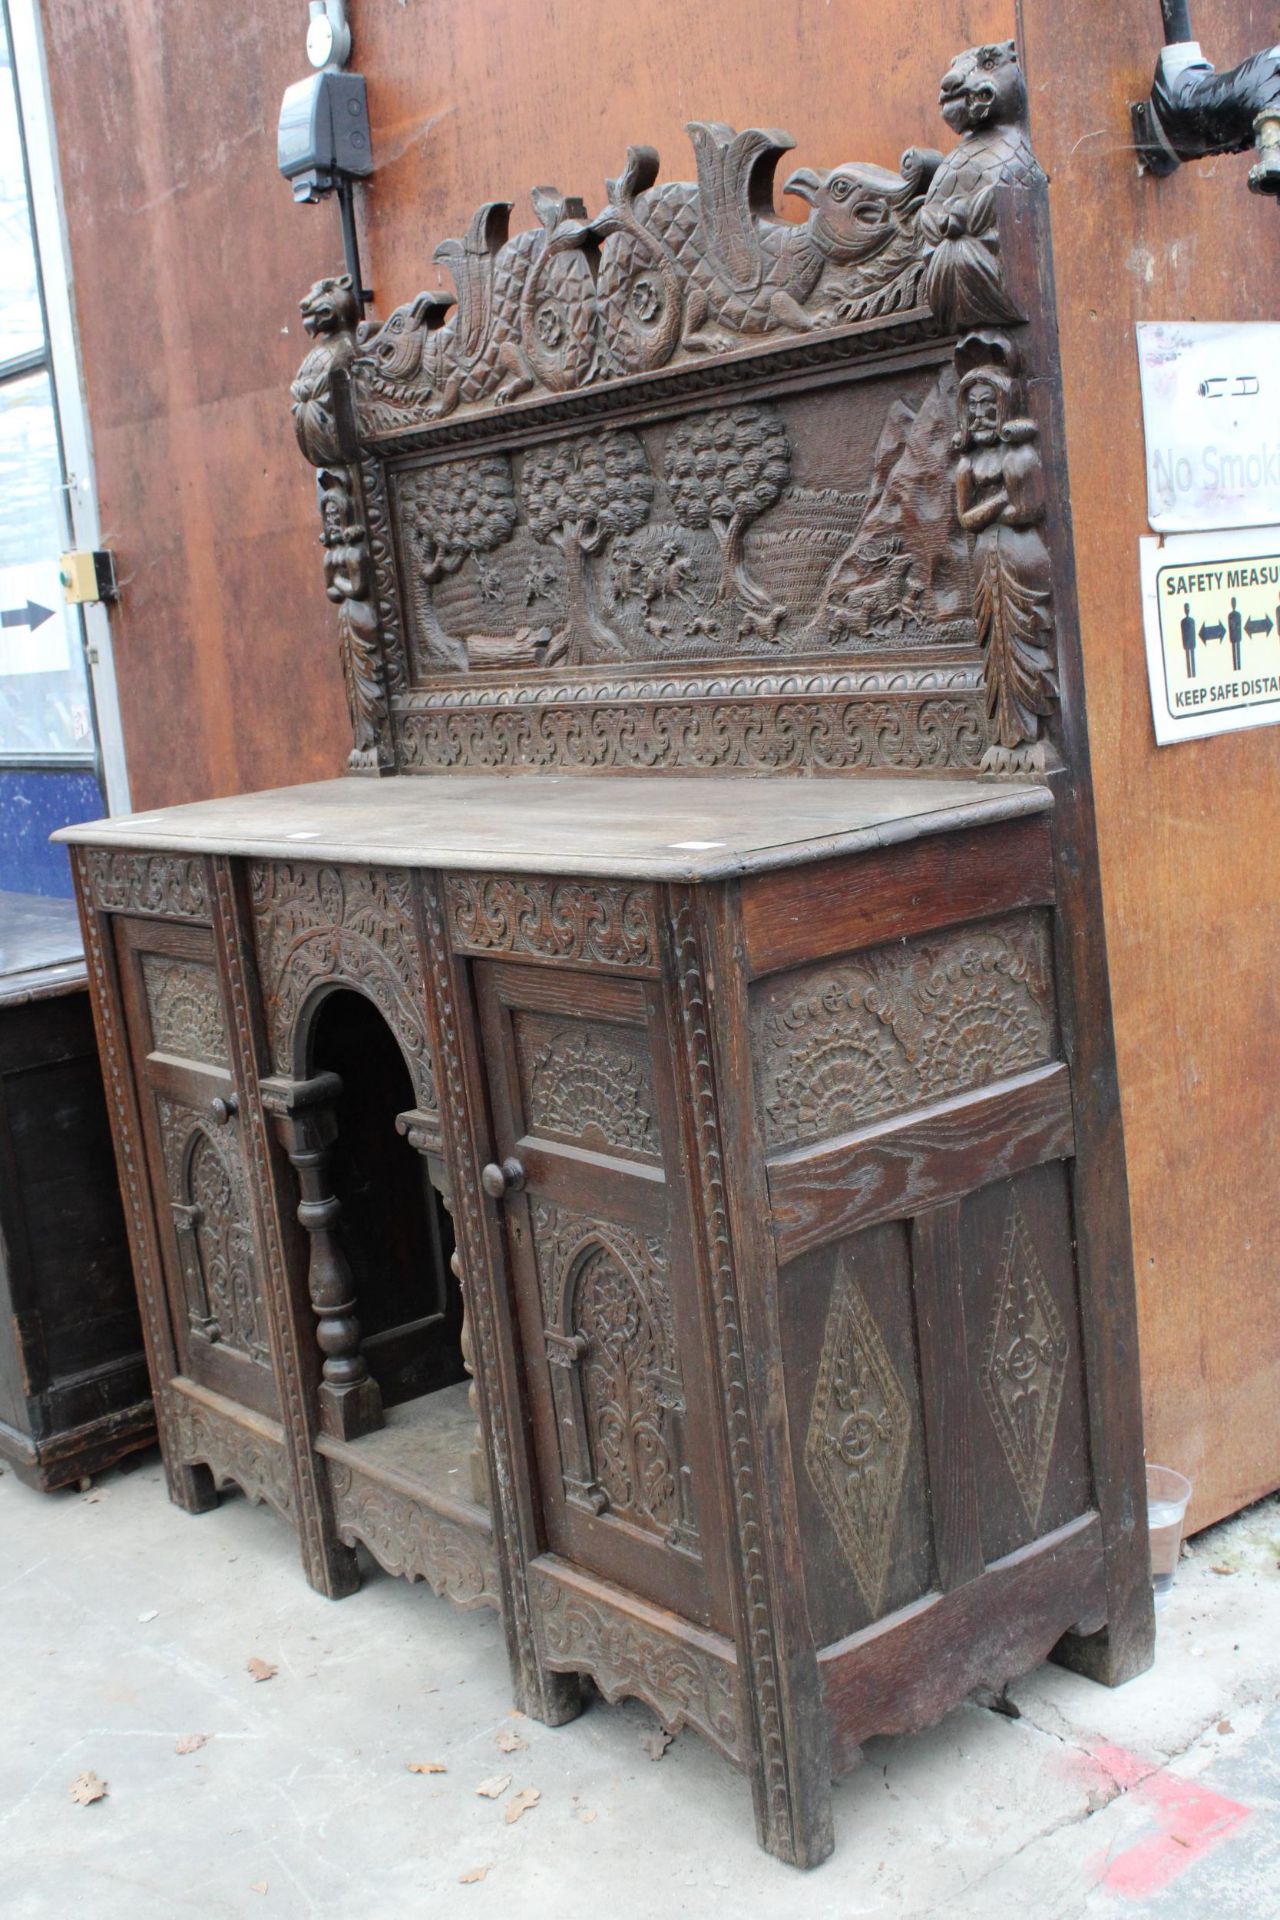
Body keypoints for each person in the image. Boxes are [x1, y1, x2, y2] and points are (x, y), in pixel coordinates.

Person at [1180, 601, 1197, 679]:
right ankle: (1190, 675)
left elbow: (1193, 632)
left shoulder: (1192, 621)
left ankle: (1193, 674)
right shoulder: (1183, 622)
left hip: (1191, 643)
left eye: (1188, 608)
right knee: (1188, 661)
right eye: (1186, 608)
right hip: (1187, 643)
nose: (1187, 610)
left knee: (1192, 661)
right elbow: (1183, 633)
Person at [1228, 595, 1244, 671]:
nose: (1233, 604)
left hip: (1237, 636)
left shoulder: (1238, 614)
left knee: (1238, 653)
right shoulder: (1230, 615)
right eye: (1232, 602)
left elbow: (1238, 625)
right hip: (1234, 636)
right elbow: (1231, 626)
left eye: (1234, 602)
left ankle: (1238, 667)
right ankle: (1236, 668)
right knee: (1234, 654)